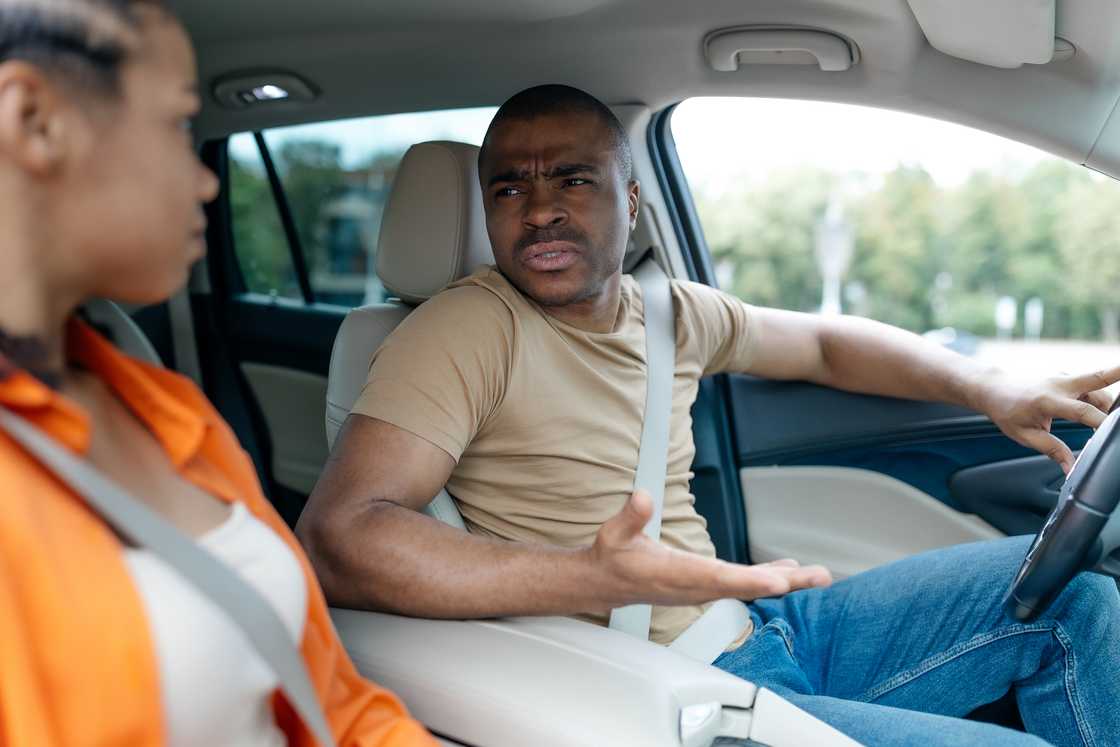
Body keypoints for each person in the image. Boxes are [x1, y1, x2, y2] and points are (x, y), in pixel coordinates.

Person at [298, 83, 1120, 745]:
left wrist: (991, 389)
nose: (539, 208)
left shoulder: (667, 311)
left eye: (572, 179)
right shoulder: (466, 328)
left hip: (761, 629)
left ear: (629, 199)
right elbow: (340, 537)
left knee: (1073, 597)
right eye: (510, 186)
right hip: (659, 686)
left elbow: (824, 344)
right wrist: (589, 575)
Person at [0, 1, 436, 745]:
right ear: (34, 121)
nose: (205, 182)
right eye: (177, 125)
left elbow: (335, 705)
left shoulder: (164, 408)